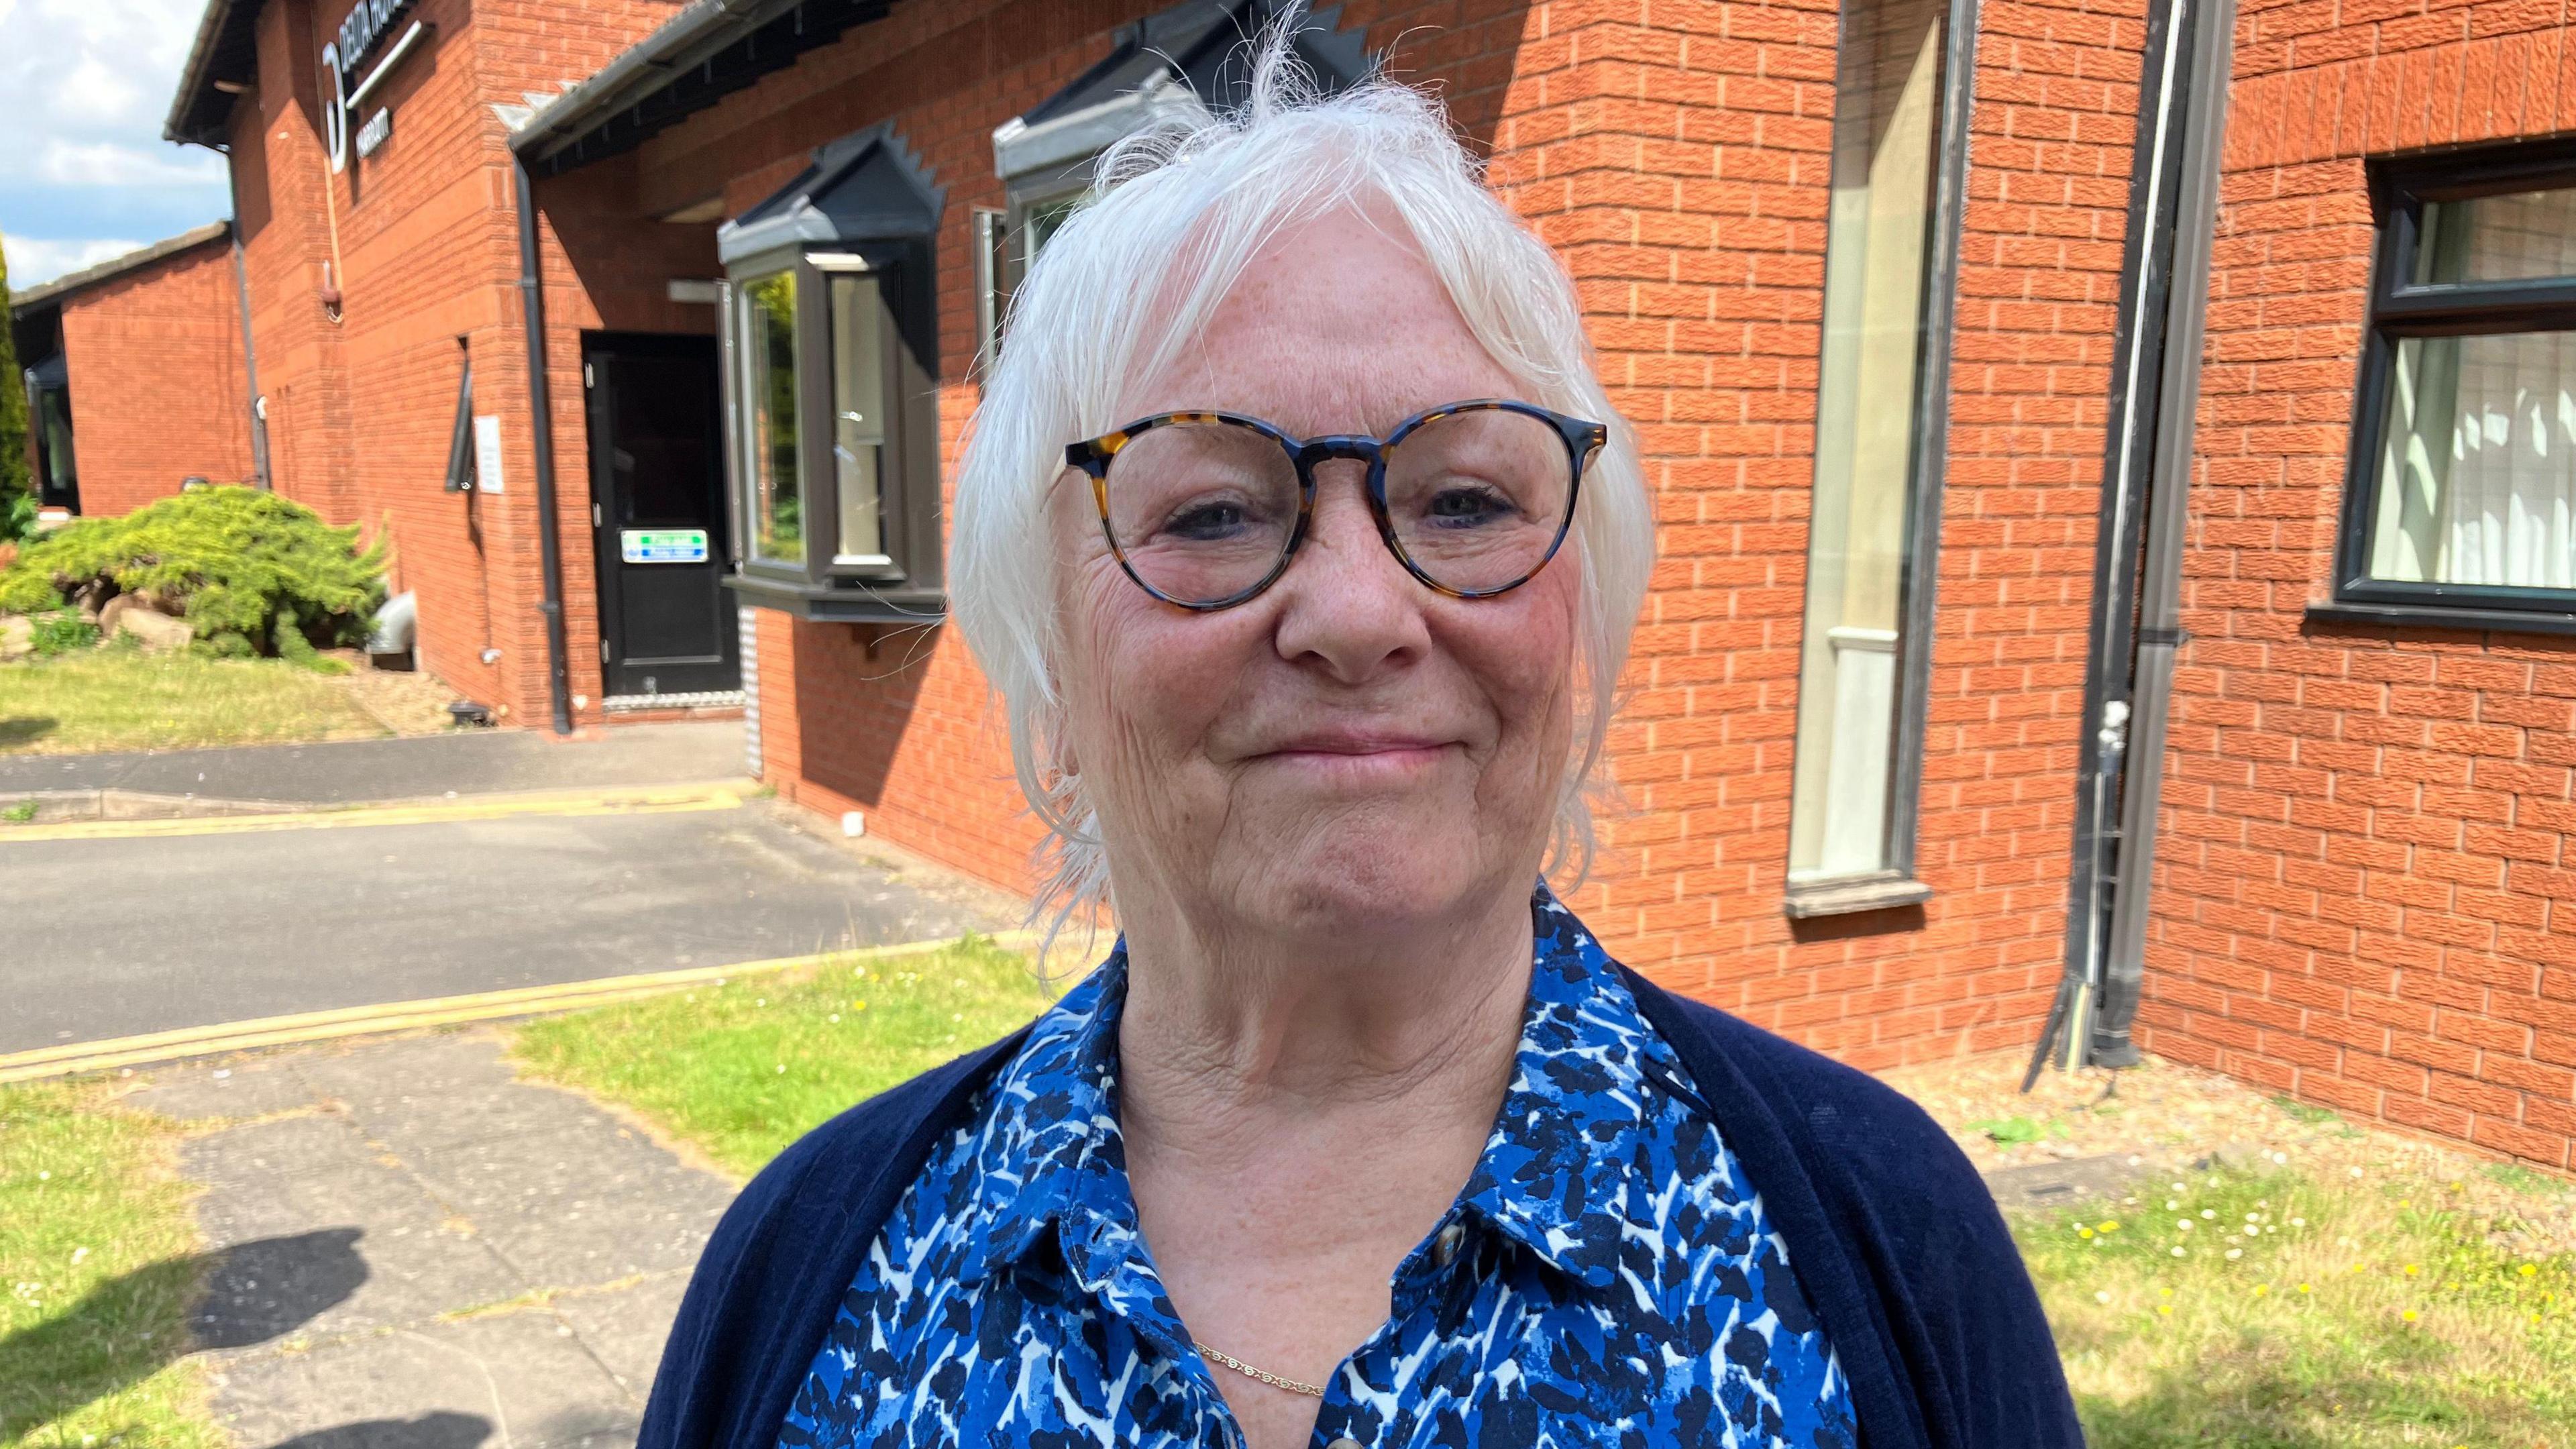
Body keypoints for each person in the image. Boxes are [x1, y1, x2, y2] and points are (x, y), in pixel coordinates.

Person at [640, 36, 2079, 1449]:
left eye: (1463, 501)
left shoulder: (1885, 1246)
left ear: (1578, 606)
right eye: (1210, 512)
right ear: (1052, 663)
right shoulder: (808, 1278)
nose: (1354, 611)